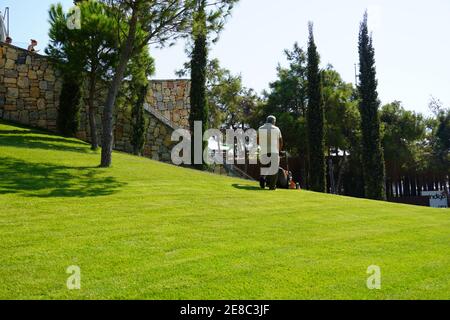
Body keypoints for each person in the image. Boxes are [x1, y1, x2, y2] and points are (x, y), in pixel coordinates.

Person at [258, 115, 283, 190]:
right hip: (274, 151)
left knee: (264, 167)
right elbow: (281, 141)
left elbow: (257, 140)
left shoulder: (260, 128)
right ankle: (272, 186)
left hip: (264, 151)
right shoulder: (277, 129)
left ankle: (262, 178)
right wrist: (279, 150)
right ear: (273, 121)